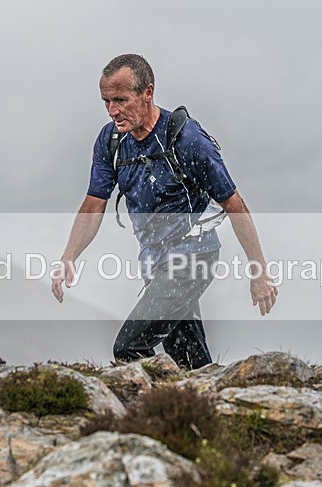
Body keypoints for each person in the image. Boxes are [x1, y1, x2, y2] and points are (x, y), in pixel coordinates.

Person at [52, 53, 277, 370]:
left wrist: (259, 272)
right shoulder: (111, 141)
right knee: (191, 364)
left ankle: (150, 415)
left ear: (147, 93)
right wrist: (68, 256)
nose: (113, 110)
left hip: (193, 256)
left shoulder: (187, 139)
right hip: (155, 263)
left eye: (120, 100)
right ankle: (204, 409)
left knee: (129, 347)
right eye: (106, 101)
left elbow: (235, 206)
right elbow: (93, 204)